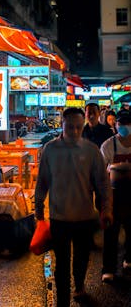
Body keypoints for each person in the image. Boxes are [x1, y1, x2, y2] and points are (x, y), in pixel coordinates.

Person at [35, 107, 113, 307]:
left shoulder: (91, 151)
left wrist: (106, 209)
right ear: (62, 125)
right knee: (62, 262)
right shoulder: (50, 150)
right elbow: (42, 180)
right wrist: (38, 207)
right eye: (70, 127)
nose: (75, 131)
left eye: (79, 127)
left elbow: (103, 183)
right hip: (59, 217)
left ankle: (79, 286)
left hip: (84, 216)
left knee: (81, 258)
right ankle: (63, 301)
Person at [100, 109, 131, 282]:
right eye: (121, 123)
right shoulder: (107, 145)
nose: (125, 127)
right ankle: (108, 269)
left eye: (128, 123)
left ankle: (129, 259)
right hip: (114, 195)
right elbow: (99, 172)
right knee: (111, 232)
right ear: (115, 125)